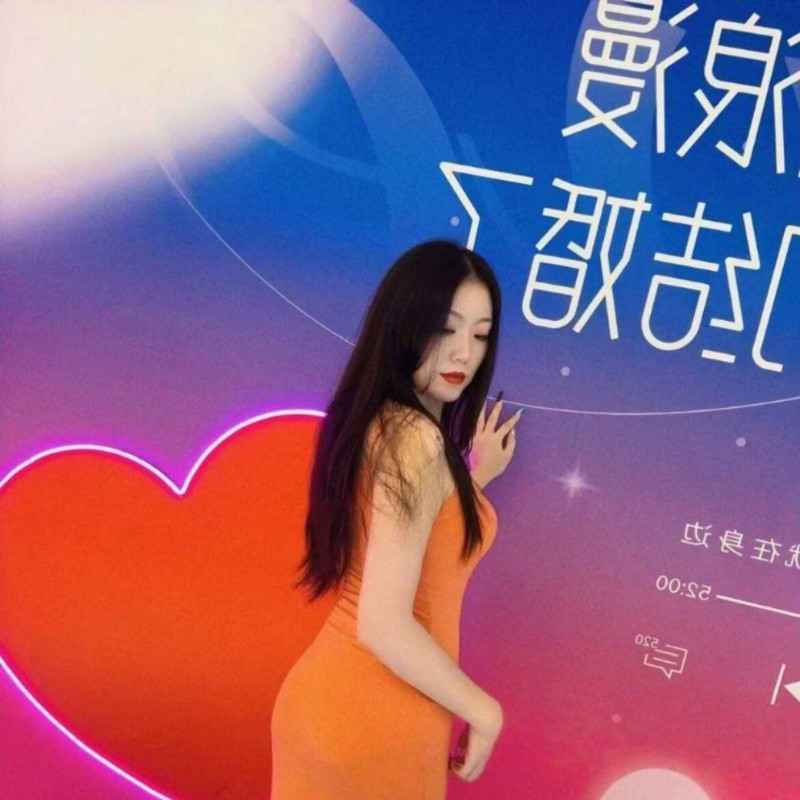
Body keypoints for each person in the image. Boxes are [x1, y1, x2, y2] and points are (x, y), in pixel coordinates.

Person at [270, 240, 522, 799]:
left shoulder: (385, 424)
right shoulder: (416, 441)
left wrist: (472, 477)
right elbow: (383, 622)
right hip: (376, 714)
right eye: (445, 328)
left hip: (344, 705)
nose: (463, 353)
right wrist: (485, 711)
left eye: (481, 335)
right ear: (405, 324)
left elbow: (420, 538)